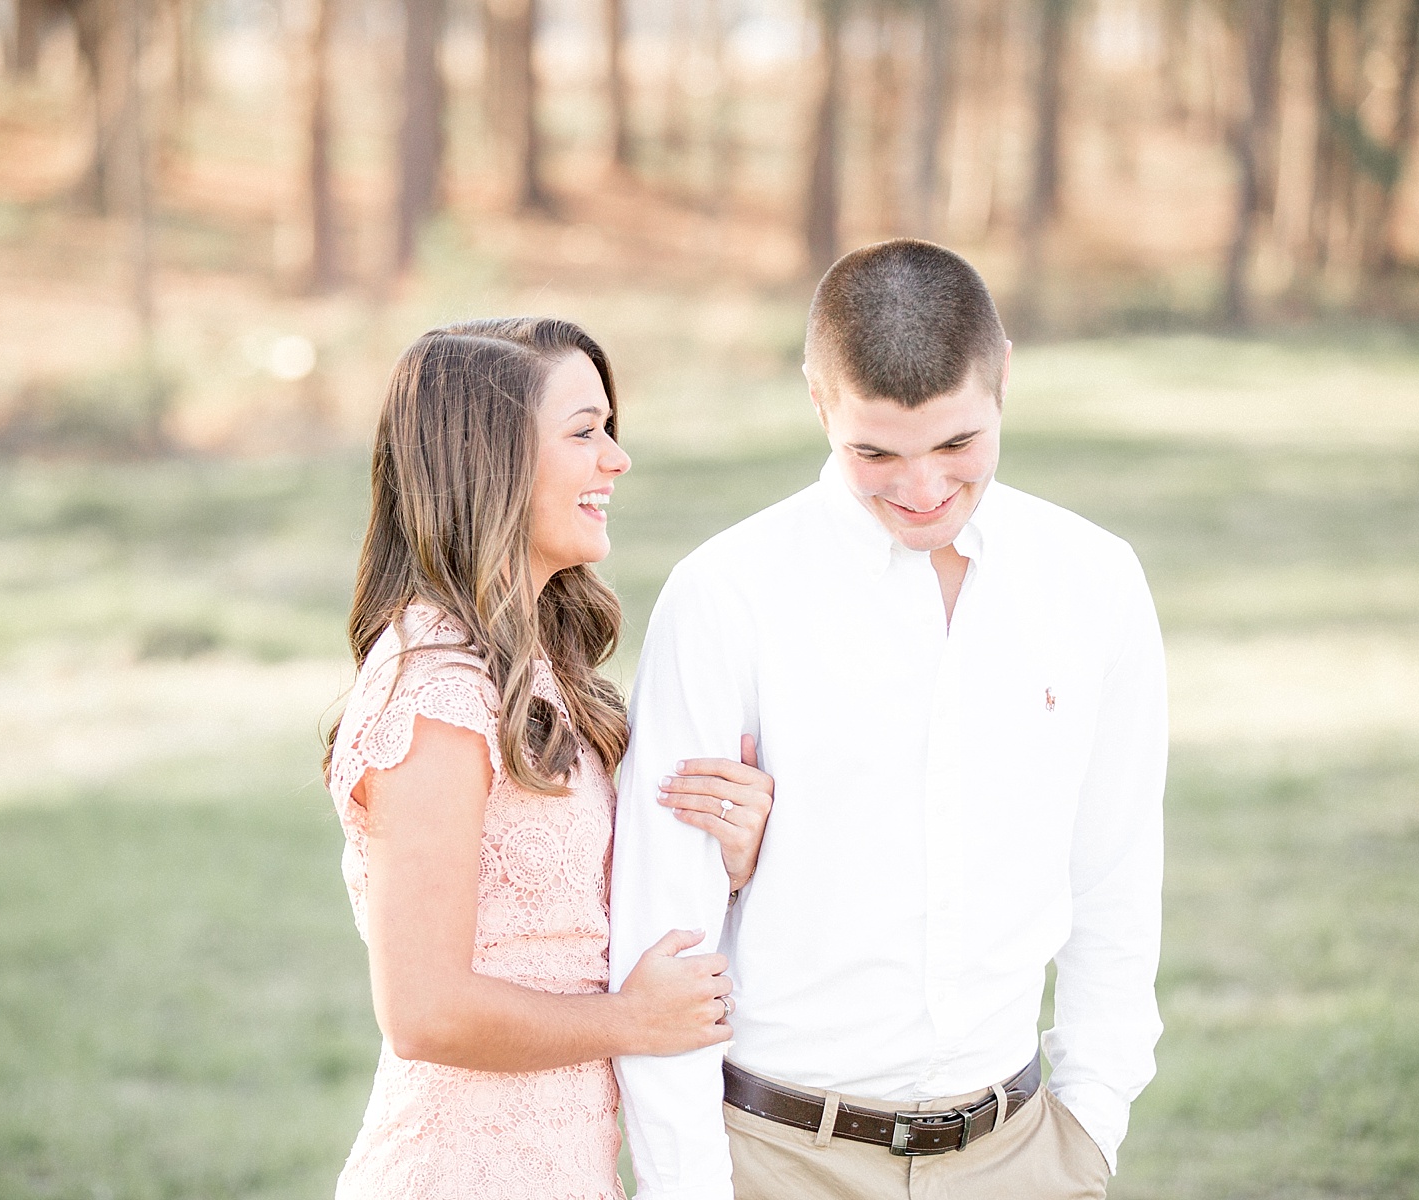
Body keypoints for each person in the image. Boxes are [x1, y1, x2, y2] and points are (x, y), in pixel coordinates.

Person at [608, 239, 1168, 1200]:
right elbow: (665, 935)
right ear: (820, 405)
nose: (920, 490)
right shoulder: (725, 596)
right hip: (777, 1157)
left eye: (957, 445)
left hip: (1022, 1155)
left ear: (1002, 386)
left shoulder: (1094, 580)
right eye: (874, 451)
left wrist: (1090, 1130)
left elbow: (1114, 872)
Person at [323, 316, 780, 1200]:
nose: (617, 459)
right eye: (584, 433)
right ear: (489, 463)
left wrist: (728, 850)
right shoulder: (437, 692)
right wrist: (631, 1022)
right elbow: (423, 1011)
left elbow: (574, 919)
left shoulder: (539, 670)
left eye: (610, 429)